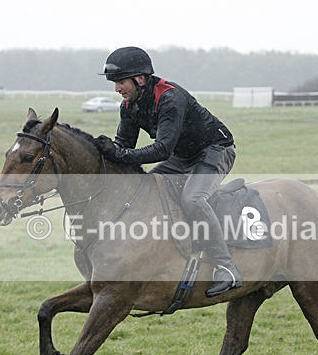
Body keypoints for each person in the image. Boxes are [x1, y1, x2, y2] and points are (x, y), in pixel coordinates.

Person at [93, 46, 241, 297]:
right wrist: (104, 152)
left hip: (215, 150)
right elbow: (124, 147)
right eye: (114, 83)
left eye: (120, 82)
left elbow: (161, 149)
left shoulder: (170, 98)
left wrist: (121, 154)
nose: (117, 89)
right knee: (145, 190)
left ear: (140, 79)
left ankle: (226, 268)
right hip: (181, 156)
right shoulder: (129, 106)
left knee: (192, 198)